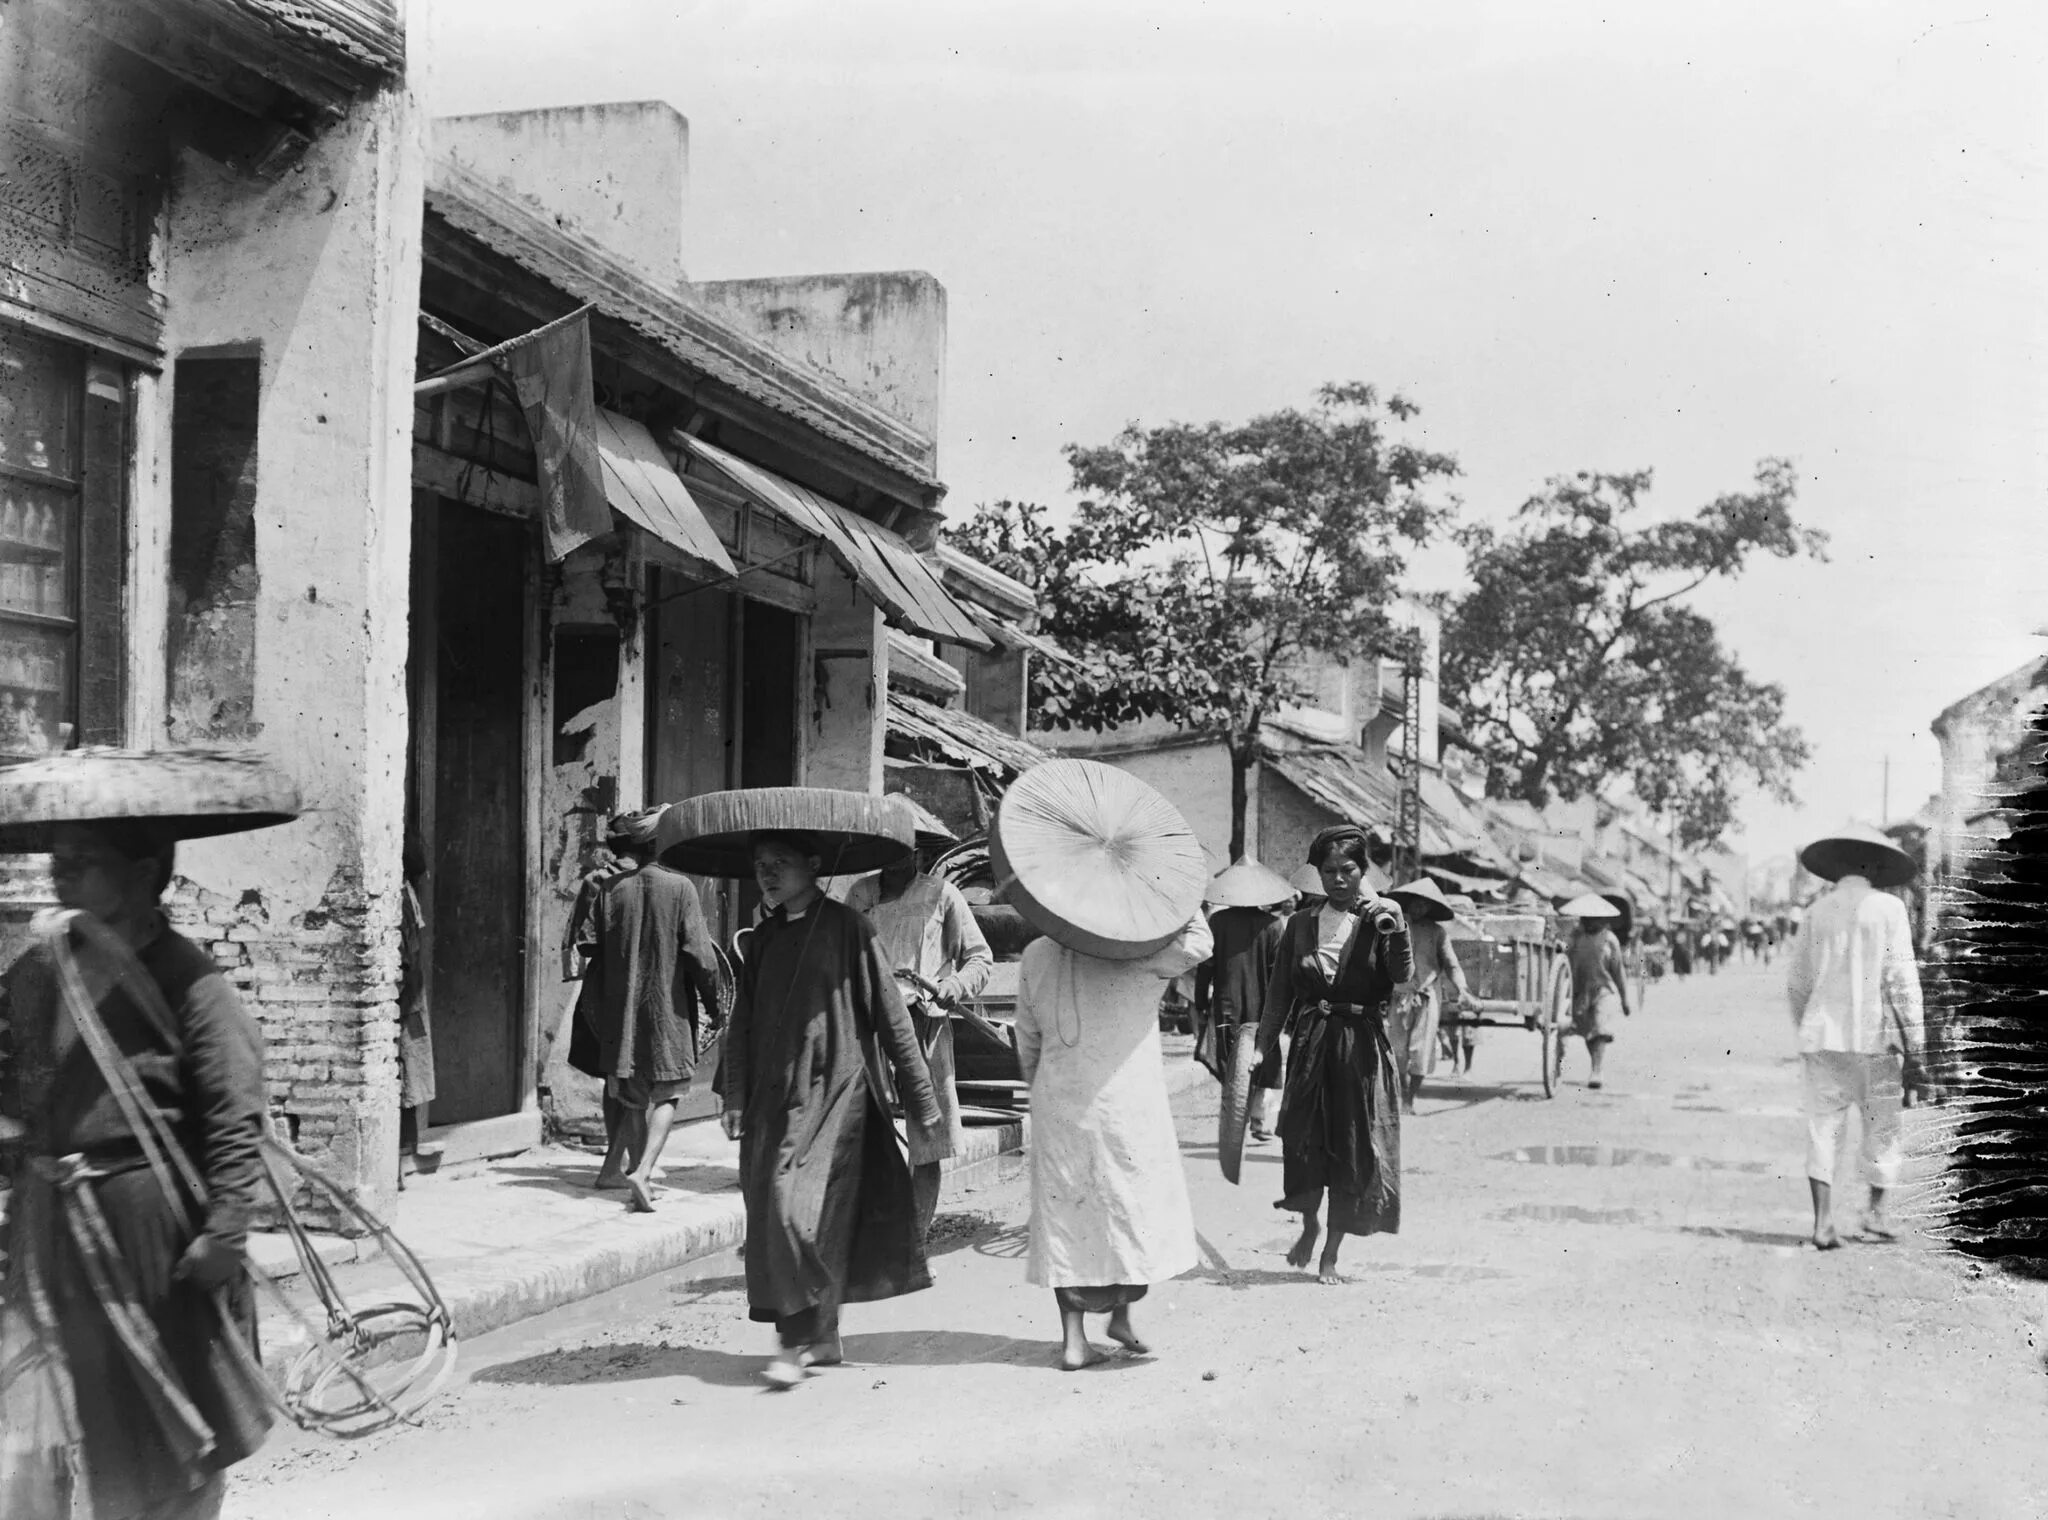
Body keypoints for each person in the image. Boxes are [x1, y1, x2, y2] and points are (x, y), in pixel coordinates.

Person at [1, 820, 273, 1520]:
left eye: (86, 861)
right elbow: (9, 1091)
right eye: (58, 860)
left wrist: (228, 1230)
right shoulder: (36, 973)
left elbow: (234, 1113)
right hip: (50, 1235)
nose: (63, 875)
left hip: (155, 1242)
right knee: (40, 1434)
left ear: (145, 870)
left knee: (166, 1432)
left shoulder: (190, 981)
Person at [721, 833, 945, 1388]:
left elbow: (893, 1018)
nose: (768, 874)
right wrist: (731, 1093)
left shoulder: (850, 928)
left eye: (781, 863)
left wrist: (922, 1101)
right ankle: (823, 1336)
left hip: (836, 1098)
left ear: (815, 865)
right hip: (774, 1103)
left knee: (795, 1211)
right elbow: (742, 1022)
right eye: (760, 866)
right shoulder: (764, 938)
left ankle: (793, 1345)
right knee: (778, 1215)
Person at [1017, 911, 1212, 1369]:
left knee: (1069, 1214)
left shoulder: (1035, 954)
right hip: (1126, 1108)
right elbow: (1200, 942)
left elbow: (1027, 1041)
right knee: (1125, 1211)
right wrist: (1178, 896)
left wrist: (1044, 1089)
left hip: (1060, 1101)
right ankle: (1121, 1314)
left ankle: (1074, 1340)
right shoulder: (1136, 952)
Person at [1253, 825, 1411, 1285]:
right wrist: (1262, 1047)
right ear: (1316, 874)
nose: (1339, 879)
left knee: (1352, 1146)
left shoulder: (1379, 919)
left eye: (1348, 870)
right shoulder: (1299, 924)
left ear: (1364, 871)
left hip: (1359, 1046)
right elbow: (1279, 993)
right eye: (1328, 871)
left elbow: (1401, 974)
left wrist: (1397, 923)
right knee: (1301, 1141)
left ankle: (1331, 1253)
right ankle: (1308, 1224)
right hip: (1311, 1044)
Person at [1786, 826, 1938, 1250]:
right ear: (1875, 867)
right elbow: (1903, 981)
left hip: (1824, 1039)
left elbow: (1798, 983)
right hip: (1878, 1040)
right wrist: (1916, 1047)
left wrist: (1808, 1025)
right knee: (1882, 1129)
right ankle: (1875, 1215)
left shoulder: (1817, 911)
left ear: (1838, 866)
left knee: (1822, 1129)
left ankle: (1822, 1223)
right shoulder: (1889, 909)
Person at [844, 850, 993, 1239]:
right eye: (885, 845)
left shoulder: (942, 895)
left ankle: (913, 1241)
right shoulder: (861, 894)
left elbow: (979, 958)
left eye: (901, 847)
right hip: (870, 1024)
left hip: (923, 1023)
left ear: (917, 853)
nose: (891, 856)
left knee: (927, 1138)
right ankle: (870, 1237)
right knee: (862, 1135)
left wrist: (954, 986)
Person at [585, 806, 725, 1213]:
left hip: (621, 1013)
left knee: (631, 1096)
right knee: (669, 1094)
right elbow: (701, 956)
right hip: (667, 1009)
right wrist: (715, 1005)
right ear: (660, 845)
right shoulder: (681, 888)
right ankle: (643, 1171)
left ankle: (623, 1169)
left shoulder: (611, 890)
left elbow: (594, 954)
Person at [1194, 889, 1291, 1143]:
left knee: (1229, 1063)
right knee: (1263, 1061)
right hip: (1263, 1007)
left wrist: (1200, 1000)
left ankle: (1233, 1122)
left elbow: (1206, 966)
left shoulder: (1218, 922)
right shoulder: (1273, 925)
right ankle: (1258, 1120)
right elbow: (1277, 974)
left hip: (1227, 1004)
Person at [1385, 878, 1477, 1108]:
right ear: (1409, 903)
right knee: (1397, 1052)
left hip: (1427, 997)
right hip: (1398, 996)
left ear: (1430, 908)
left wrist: (1463, 990)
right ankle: (1402, 1091)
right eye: (1416, 903)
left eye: (1424, 905)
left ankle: (1409, 1098)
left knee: (1420, 1051)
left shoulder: (1437, 932)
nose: (1419, 908)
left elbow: (1452, 965)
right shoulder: (1393, 927)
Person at [1561, 899, 1632, 1089]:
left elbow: (1618, 971)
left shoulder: (1609, 939)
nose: (1591, 922)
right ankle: (1595, 1065)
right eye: (1587, 919)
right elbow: (1565, 961)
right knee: (1588, 1032)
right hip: (1580, 993)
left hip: (1603, 991)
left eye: (1595, 919)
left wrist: (1625, 1000)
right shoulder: (1576, 938)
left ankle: (1597, 1070)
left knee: (1600, 1029)